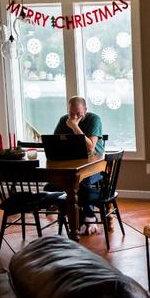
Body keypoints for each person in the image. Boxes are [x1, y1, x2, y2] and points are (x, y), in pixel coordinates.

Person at [54, 96, 104, 234]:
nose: (75, 117)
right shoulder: (63, 120)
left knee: (82, 180)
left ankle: (89, 216)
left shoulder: (94, 119)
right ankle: (74, 214)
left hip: (95, 165)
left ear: (86, 110)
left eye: (79, 113)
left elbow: (90, 148)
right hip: (71, 162)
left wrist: (74, 126)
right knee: (61, 181)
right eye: (71, 114)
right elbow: (55, 142)